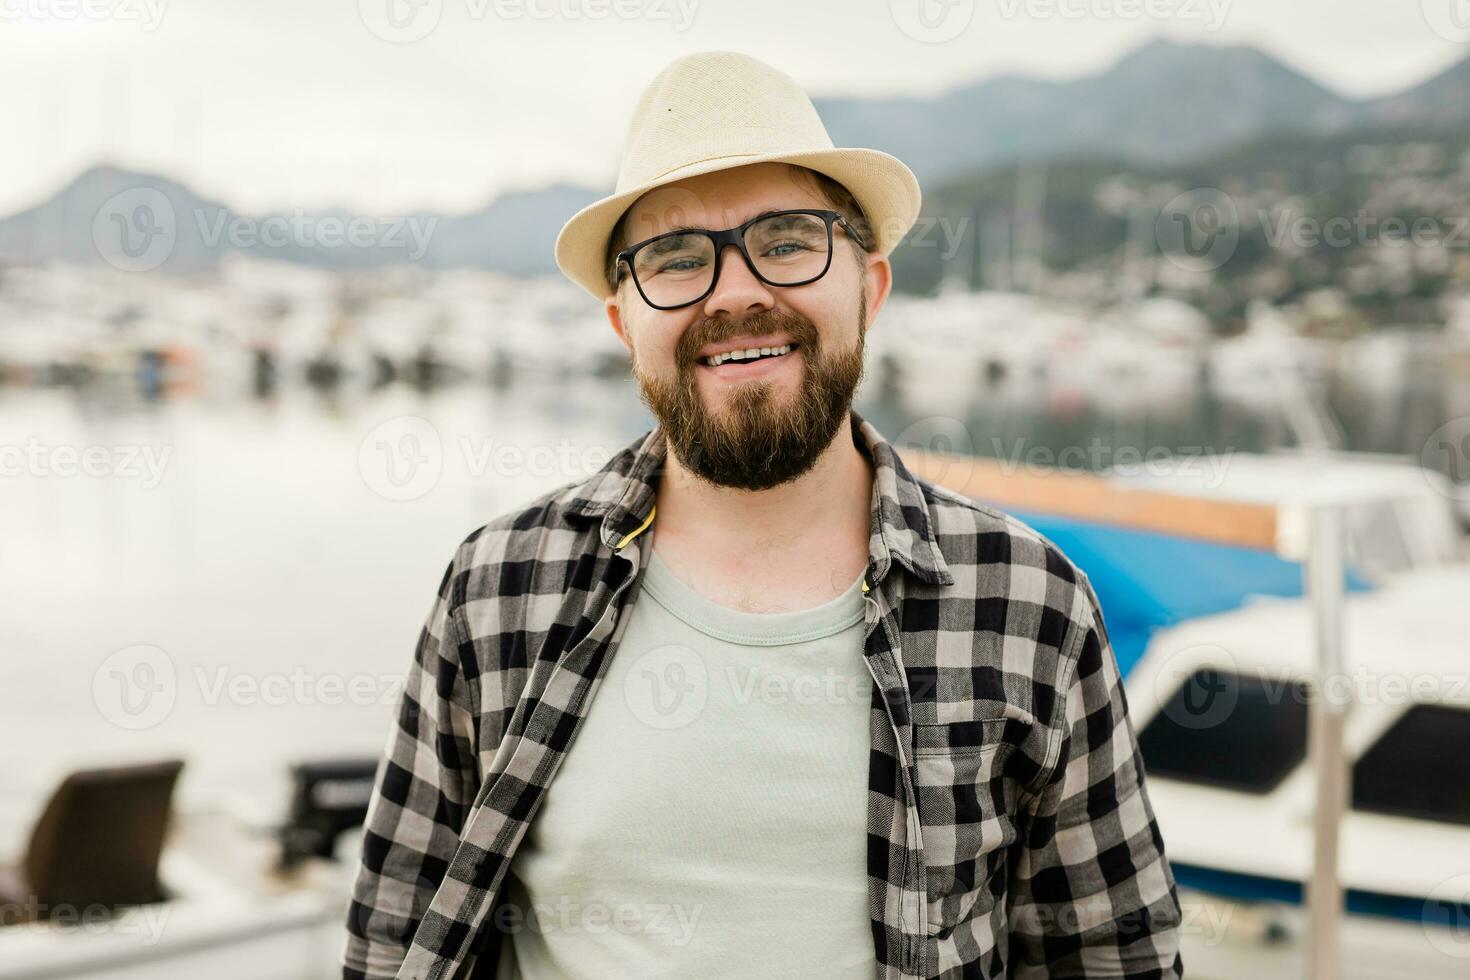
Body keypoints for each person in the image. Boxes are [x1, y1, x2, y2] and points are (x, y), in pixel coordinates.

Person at [341, 50, 1184, 980]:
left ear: (870, 288)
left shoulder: (1029, 601)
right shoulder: (499, 587)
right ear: (625, 325)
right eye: (674, 259)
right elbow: (396, 935)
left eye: (786, 241)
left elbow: (1111, 953)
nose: (736, 292)